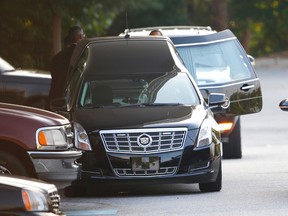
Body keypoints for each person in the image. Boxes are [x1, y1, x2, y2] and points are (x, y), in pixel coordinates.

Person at [48, 26, 85, 109]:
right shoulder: (81, 57)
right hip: (72, 103)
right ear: (80, 37)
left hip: (53, 102)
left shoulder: (57, 57)